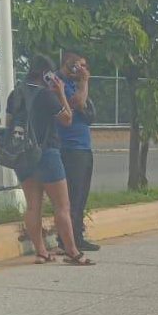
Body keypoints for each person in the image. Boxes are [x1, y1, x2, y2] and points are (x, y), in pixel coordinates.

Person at [8, 54, 94, 266]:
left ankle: (41, 252)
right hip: (47, 153)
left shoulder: (15, 93)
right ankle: (73, 252)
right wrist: (61, 93)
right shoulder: (46, 95)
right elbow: (67, 118)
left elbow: (9, 122)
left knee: (32, 206)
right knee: (62, 206)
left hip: (24, 155)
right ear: (46, 74)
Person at [55, 52, 100, 252]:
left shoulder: (74, 83)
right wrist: (84, 82)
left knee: (81, 195)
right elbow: (79, 103)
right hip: (71, 148)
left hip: (83, 146)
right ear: (70, 66)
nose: (84, 70)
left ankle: (77, 234)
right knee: (73, 196)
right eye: (80, 66)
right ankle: (67, 239)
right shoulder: (60, 85)